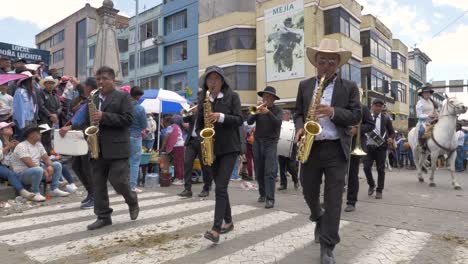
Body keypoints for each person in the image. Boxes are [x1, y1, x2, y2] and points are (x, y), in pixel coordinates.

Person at [294, 39, 361, 264]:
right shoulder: (304, 86)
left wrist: (333, 111)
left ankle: (327, 245)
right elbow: (297, 113)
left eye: (331, 62)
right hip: (311, 148)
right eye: (322, 61)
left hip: (336, 148)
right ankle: (318, 216)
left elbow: (356, 116)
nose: (326, 66)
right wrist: (300, 127)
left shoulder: (350, 87)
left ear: (338, 64)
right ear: (316, 63)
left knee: (333, 199)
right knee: (308, 190)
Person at [60, 66, 139, 230]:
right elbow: (87, 123)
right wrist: (74, 129)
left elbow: (128, 120)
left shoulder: (123, 97)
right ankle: (103, 216)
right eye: (98, 79)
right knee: (98, 184)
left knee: (119, 181)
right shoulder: (93, 99)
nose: (100, 82)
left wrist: (105, 116)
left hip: (117, 148)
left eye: (104, 78)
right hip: (96, 148)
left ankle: (132, 200)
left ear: (113, 80)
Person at [197, 66, 243, 243]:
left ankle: (216, 229)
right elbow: (198, 124)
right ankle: (229, 222)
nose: (213, 82)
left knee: (220, 187)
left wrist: (221, 116)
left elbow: (239, 119)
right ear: (206, 82)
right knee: (220, 186)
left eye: (216, 78)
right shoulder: (203, 99)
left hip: (229, 148)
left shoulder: (233, 96)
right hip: (212, 148)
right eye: (210, 79)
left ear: (222, 80)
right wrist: (203, 137)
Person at [11, 126, 70, 201]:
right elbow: (29, 164)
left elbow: (46, 158)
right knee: (38, 169)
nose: (40, 134)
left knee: (56, 165)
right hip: (22, 175)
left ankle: (54, 189)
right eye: (38, 133)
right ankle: (35, 192)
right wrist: (44, 170)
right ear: (31, 135)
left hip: (38, 172)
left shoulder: (39, 144)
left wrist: (50, 166)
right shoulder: (21, 146)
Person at [247, 86, 282, 209]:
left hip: (271, 143)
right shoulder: (259, 110)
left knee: (270, 171)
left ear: (273, 99)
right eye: (264, 96)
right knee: (259, 171)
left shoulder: (277, 110)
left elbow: (278, 123)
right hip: (257, 142)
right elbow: (249, 122)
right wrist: (255, 112)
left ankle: (270, 199)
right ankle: (262, 194)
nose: (265, 99)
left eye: (268, 97)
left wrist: (269, 113)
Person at [178, 92, 213, 198]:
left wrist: (198, 112)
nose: (198, 100)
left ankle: (206, 188)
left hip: (202, 140)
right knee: (187, 163)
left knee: (205, 166)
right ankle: (187, 189)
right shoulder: (195, 110)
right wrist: (188, 113)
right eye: (198, 98)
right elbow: (185, 119)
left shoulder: (208, 109)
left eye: (200, 98)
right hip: (191, 141)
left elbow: (208, 120)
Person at [69, 77, 97, 209]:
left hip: (87, 137)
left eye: (85, 86)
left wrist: (70, 128)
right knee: (76, 165)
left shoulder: (93, 101)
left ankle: (95, 196)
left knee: (87, 167)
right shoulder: (86, 101)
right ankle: (91, 192)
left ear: (90, 88)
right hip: (78, 136)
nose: (84, 89)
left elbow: (88, 122)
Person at [344, 103, 374, 212]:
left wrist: (358, 129)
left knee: (352, 173)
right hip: (339, 143)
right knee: (334, 173)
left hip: (355, 144)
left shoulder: (362, 107)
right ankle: (331, 199)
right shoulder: (340, 104)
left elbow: (371, 125)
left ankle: (351, 202)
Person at [363, 98, 395, 200]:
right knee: (366, 167)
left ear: (382, 108)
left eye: (380, 106)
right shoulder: (367, 117)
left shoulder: (386, 119)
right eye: (376, 105)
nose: (378, 107)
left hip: (381, 146)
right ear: (372, 106)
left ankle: (379, 190)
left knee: (380, 169)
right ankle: (371, 184)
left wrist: (391, 138)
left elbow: (392, 132)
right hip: (368, 146)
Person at [0, 122, 36, 200]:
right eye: (7, 127)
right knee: (10, 173)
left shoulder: (13, 141)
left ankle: (25, 193)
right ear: (1, 131)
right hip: (2, 165)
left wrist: (19, 147)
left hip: (9, 165)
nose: (10, 128)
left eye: (10, 126)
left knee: (22, 170)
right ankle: (22, 192)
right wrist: (7, 148)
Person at [128, 86, 147, 193]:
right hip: (135, 137)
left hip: (124, 137)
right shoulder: (140, 108)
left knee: (124, 162)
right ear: (139, 96)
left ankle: (122, 186)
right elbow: (144, 124)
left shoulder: (124, 106)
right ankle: (132, 186)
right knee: (135, 162)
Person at [13, 71, 39, 140]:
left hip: (30, 120)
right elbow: (19, 109)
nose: (33, 81)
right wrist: (22, 125)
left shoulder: (29, 92)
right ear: (27, 81)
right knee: (22, 140)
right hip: (22, 122)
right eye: (32, 79)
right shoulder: (19, 91)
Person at [277, 110, 299, 191]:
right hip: (281, 147)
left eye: (286, 115)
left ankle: (295, 180)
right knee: (282, 167)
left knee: (291, 167)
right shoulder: (280, 123)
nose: (284, 116)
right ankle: (283, 184)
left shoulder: (293, 124)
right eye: (283, 115)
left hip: (291, 147)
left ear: (289, 116)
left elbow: (297, 134)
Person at [161, 115, 185, 185]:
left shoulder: (170, 127)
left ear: (167, 122)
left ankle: (180, 179)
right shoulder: (177, 127)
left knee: (178, 163)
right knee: (179, 163)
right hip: (181, 146)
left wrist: (162, 147)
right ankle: (178, 178)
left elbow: (166, 138)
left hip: (177, 146)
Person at [416, 84, 438, 151]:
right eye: (425, 92)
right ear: (422, 94)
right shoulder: (419, 103)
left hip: (434, 121)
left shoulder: (432, 102)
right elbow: (419, 115)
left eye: (428, 92)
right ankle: (422, 145)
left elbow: (434, 111)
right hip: (424, 122)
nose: (427, 93)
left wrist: (437, 114)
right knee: (422, 131)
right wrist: (428, 116)